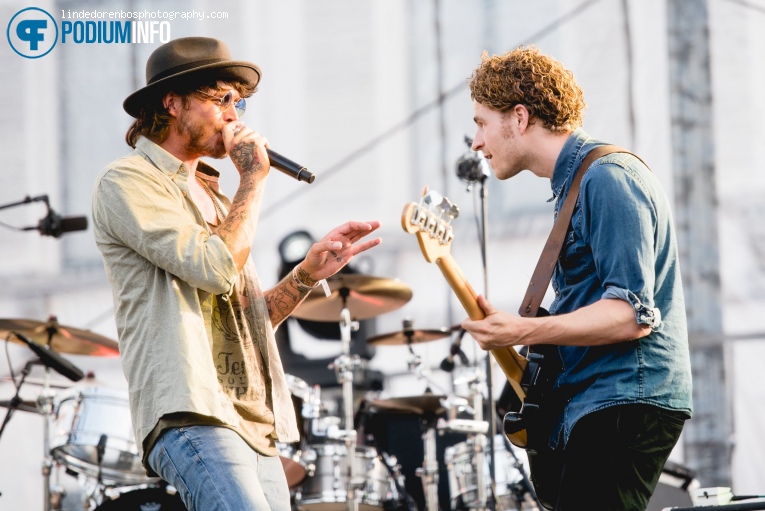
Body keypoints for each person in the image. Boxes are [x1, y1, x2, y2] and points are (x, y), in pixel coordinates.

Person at [92, 37, 381, 511]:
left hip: (252, 423)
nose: (235, 115)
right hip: (193, 414)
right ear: (173, 101)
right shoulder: (128, 181)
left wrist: (306, 275)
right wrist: (253, 179)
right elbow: (216, 267)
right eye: (221, 99)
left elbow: (246, 320)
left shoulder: (217, 200)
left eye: (238, 102)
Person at [461, 46, 693, 511]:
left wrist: (523, 329)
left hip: (626, 394)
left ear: (520, 117)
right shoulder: (576, 185)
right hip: (597, 398)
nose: (476, 143)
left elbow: (630, 314)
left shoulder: (608, 177)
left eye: (481, 123)